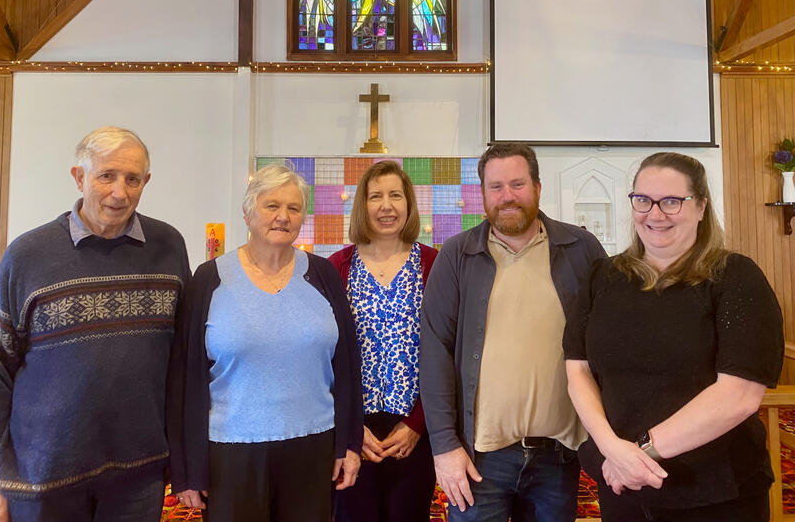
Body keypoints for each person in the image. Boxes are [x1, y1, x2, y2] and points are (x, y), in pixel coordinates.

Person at [0, 126, 191, 522]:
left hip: (139, 474)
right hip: (44, 473)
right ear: (79, 177)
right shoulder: (28, 255)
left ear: (146, 182)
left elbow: (182, 358)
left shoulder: (168, 247)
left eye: (132, 179)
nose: (119, 192)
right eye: (106, 176)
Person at [563, 151, 784, 522]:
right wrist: (611, 448)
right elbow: (578, 371)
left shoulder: (735, 277)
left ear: (701, 206)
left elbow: (740, 395)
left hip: (715, 491)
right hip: (622, 485)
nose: (655, 214)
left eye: (671, 201)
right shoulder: (602, 277)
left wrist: (640, 454)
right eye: (643, 200)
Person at [420, 142, 607, 522]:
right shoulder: (457, 255)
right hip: (479, 459)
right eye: (496, 187)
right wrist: (444, 446)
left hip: (559, 456)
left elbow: (608, 337)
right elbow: (435, 351)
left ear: (537, 187)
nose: (507, 196)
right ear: (483, 194)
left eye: (518, 184)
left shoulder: (580, 248)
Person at [167, 163, 363, 522]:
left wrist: (350, 444)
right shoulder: (210, 279)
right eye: (271, 205)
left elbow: (347, 367)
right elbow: (183, 377)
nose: (283, 216)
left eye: (293, 208)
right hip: (231, 454)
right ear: (247, 213)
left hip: (314, 447)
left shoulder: (323, 274)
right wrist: (186, 469)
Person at [329, 160, 439, 522]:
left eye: (395, 195)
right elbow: (325, 357)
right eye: (375, 196)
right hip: (354, 429)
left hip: (413, 428)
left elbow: (446, 351)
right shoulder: (337, 267)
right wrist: (351, 429)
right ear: (363, 205)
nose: (386, 206)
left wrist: (417, 425)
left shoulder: (433, 264)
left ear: (409, 204)